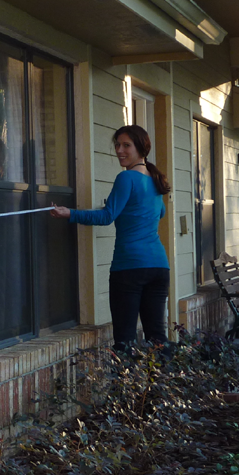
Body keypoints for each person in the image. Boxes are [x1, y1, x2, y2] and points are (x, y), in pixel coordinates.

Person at [50, 125, 170, 349]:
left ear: (141, 148)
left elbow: (106, 217)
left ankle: (125, 384)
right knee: (157, 339)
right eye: (117, 145)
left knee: (124, 340)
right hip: (158, 266)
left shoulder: (127, 178)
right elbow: (160, 212)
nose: (119, 150)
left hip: (129, 267)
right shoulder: (154, 179)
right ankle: (165, 382)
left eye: (126, 145)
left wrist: (70, 213)